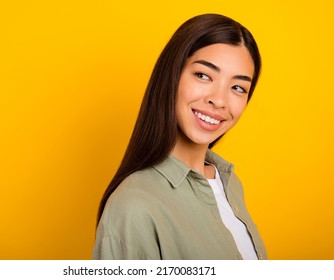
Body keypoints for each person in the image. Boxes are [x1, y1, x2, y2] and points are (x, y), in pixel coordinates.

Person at [93, 13, 267, 260]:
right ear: (172, 75)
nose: (219, 99)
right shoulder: (134, 206)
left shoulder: (230, 183)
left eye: (238, 87)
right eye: (203, 75)